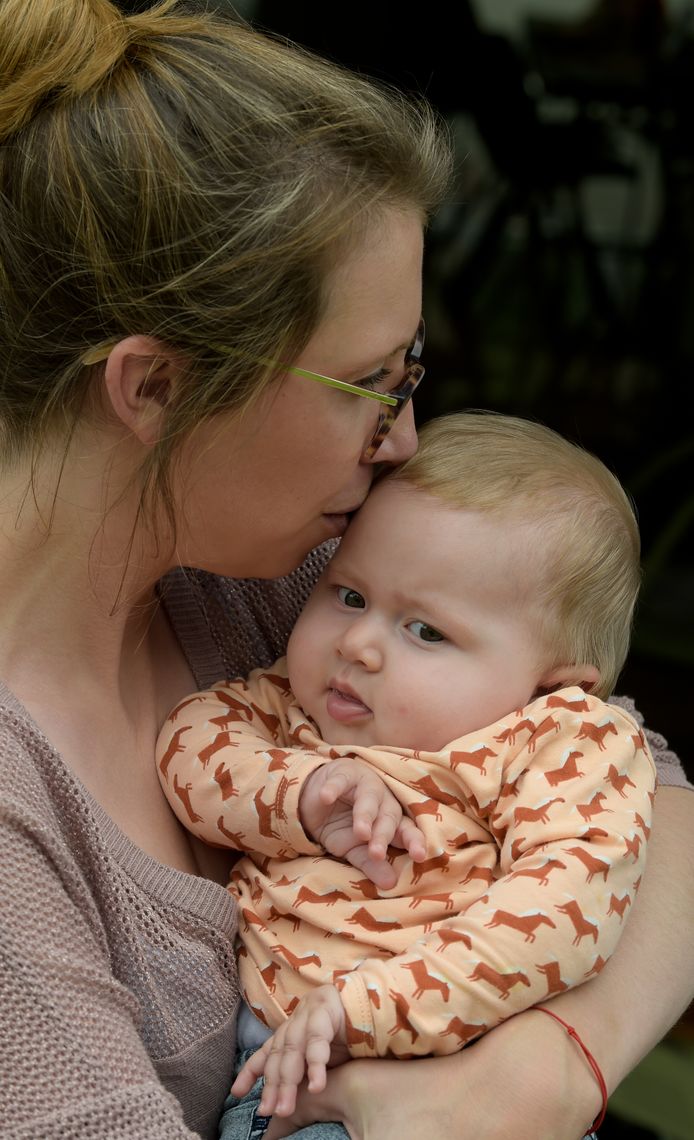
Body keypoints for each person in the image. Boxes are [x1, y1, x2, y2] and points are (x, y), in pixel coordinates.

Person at [0, 3, 691, 1140]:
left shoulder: (269, 573)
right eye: (372, 382)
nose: (406, 439)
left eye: (411, 370)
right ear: (155, 387)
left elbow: (643, 781)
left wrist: (538, 1081)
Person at [156, 411, 657, 1136]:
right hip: (282, 1082)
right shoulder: (292, 705)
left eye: (425, 630)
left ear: (551, 689)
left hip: (463, 1080)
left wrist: (363, 1009)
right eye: (350, 595)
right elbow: (189, 743)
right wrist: (300, 795)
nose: (358, 644)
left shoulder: (558, 740)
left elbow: (562, 913)